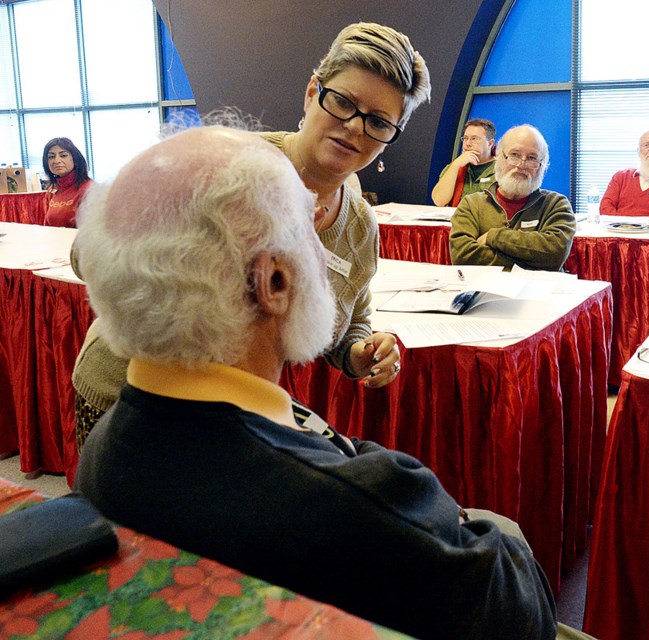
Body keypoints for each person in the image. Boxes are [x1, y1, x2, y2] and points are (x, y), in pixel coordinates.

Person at [73, 125, 559, 640]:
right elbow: (522, 616)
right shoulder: (360, 510)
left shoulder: (102, 448)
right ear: (274, 283)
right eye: (308, 228)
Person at [71, 22, 430, 449]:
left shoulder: (359, 226)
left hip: (234, 414)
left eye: (378, 122)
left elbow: (352, 319)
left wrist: (359, 354)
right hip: (134, 389)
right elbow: (89, 253)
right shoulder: (229, 162)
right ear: (313, 91)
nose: (355, 127)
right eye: (343, 103)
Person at [449, 124, 575, 271]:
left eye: (531, 158)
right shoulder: (471, 205)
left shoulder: (556, 205)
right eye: (514, 155)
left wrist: (494, 236)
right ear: (498, 157)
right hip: (485, 291)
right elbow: (462, 256)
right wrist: (531, 262)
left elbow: (554, 255)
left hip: (538, 292)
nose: (521, 165)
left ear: (542, 166)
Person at [431, 118, 497, 206]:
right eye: (465, 138)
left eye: (474, 139)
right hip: (454, 218)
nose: (468, 143)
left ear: (490, 144)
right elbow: (439, 201)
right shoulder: (455, 166)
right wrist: (455, 165)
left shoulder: (501, 169)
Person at [42, 137, 92, 228]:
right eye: (51, 157)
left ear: (75, 159)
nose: (57, 161)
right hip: (55, 241)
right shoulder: (51, 190)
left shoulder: (89, 189)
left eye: (63, 155)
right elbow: (47, 227)